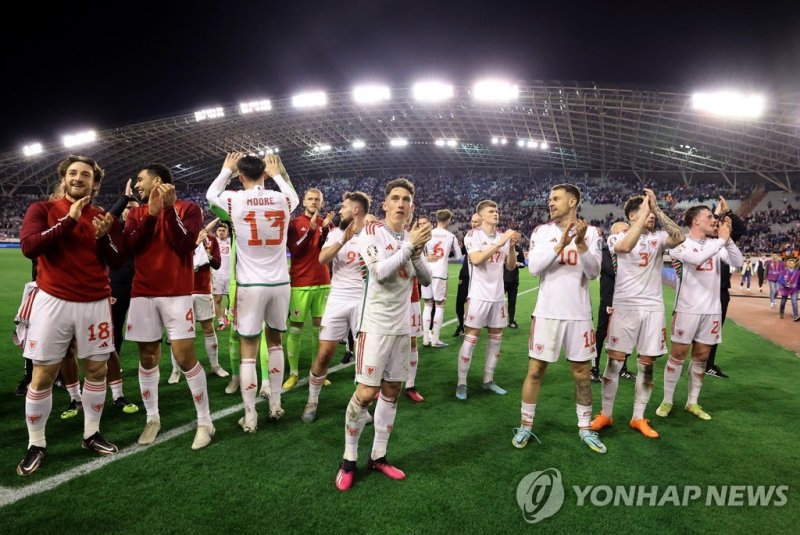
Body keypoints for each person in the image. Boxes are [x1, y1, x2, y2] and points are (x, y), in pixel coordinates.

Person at [16, 155, 124, 476]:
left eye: (86, 175)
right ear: (64, 179)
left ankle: (91, 434)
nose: (78, 178)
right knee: (43, 375)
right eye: (73, 173)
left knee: (96, 369)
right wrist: (69, 221)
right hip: (53, 300)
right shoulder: (42, 210)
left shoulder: (104, 217)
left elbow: (117, 263)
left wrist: (104, 236)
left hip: (95, 302)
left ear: (96, 183)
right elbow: (30, 247)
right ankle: (36, 443)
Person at [334, 178, 432, 491]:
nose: (401, 204)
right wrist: (408, 247)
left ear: (412, 207)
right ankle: (348, 458)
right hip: (375, 326)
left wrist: (416, 251)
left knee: (391, 393)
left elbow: (427, 279)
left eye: (407, 199)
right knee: (365, 394)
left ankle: (378, 456)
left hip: (402, 327)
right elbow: (379, 272)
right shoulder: (371, 233)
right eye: (395, 198)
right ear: (385, 204)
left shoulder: (410, 238)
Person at [206, 153, 299, 431]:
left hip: (250, 285)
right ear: (265, 174)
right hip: (280, 283)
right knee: (275, 343)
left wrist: (225, 170)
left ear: (241, 177)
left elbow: (212, 196)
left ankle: (250, 415)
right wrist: (278, 175)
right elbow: (293, 197)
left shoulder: (235, 198)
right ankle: (276, 404)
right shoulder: (283, 199)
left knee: (248, 350)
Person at [125, 162, 214, 450]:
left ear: (158, 181)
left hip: (176, 293)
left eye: (140, 179)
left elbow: (185, 244)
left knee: (185, 357)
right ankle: (152, 418)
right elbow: (132, 246)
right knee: (148, 358)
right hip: (142, 293)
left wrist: (168, 209)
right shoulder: (136, 212)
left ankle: (205, 421)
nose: (137, 185)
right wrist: (151, 213)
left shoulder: (189, 209)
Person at [513, 184, 606, 454]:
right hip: (546, 313)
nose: (550, 203)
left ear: (572, 201)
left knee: (582, 374)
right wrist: (561, 245)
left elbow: (593, 273)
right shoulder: (541, 232)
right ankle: (525, 425)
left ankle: (585, 428)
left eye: (556, 198)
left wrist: (580, 244)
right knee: (535, 370)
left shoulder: (593, 233)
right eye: (549, 199)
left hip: (578, 316)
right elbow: (534, 269)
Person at [591, 190, 685, 439]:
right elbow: (625, 246)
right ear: (632, 216)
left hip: (653, 309)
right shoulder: (617, 236)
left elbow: (679, 238)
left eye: (651, 214)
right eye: (645, 213)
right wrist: (643, 215)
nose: (651, 217)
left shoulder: (659, 238)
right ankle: (606, 413)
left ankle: (638, 417)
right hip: (625, 306)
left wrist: (657, 209)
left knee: (647, 365)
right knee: (614, 362)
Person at [655, 206, 743, 421]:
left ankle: (692, 402)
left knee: (702, 357)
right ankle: (667, 399)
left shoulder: (716, 244)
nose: (714, 220)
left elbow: (738, 263)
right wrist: (721, 241)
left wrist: (727, 239)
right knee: (677, 356)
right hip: (687, 309)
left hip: (712, 311)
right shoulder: (679, 243)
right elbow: (696, 259)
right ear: (695, 221)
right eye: (710, 217)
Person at [301, 191, 371, 423]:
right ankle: (312, 400)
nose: (340, 210)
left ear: (356, 211)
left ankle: (361, 407)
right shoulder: (335, 233)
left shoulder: (372, 235)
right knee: (324, 355)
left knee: (364, 358)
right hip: (338, 299)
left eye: (344, 207)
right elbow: (322, 259)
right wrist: (344, 239)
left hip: (364, 301)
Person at [455, 200, 519, 400]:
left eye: (497, 210)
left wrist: (511, 247)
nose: (496, 213)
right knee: (472, 337)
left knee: (496, 339)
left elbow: (509, 266)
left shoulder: (502, 236)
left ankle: (488, 380)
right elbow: (475, 259)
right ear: (481, 216)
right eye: (491, 211)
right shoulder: (473, 235)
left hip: (498, 297)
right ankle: (462, 383)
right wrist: (500, 243)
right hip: (479, 295)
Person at [284, 188, 334, 389]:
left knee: (319, 330)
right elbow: (295, 250)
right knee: (295, 329)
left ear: (321, 203)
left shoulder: (327, 224)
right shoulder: (295, 223)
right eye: (310, 199)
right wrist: (312, 229)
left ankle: (317, 370)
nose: (313, 202)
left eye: (317, 200)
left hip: (323, 281)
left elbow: (326, 251)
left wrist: (325, 231)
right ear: (304, 201)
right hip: (300, 283)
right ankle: (293, 373)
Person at [168, 221, 229, 382]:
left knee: (208, 328)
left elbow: (217, 264)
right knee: (179, 332)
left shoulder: (211, 240)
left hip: (203, 290)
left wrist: (206, 252)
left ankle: (215, 366)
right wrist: (195, 245)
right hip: (182, 291)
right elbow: (174, 263)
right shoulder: (179, 238)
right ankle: (176, 370)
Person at [590, 221, 634, 385]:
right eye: (623, 231)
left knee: (627, 333)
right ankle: (594, 368)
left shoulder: (630, 251)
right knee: (601, 332)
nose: (626, 234)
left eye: (628, 231)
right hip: (610, 299)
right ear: (613, 235)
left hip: (628, 298)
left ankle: (622, 368)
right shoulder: (605, 251)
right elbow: (613, 271)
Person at [421, 209, 462, 346]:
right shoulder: (451, 236)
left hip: (426, 271)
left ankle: (426, 339)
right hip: (440, 273)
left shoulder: (428, 234)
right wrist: (444, 258)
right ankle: (435, 339)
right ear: (449, 220)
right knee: (439, 305)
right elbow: (458, 256)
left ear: (436, 219)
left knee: (427, 305)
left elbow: (419, 253)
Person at [453, 214, 481, 337]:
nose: (473, 224)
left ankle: (473, 325)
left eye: (476, 222)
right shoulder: (468, 236)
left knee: (476, 304)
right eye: (472, 221)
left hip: (479, 277)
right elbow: (462, 251)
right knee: (459, 302)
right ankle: (460, 325)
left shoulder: (487, 239)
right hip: (465, 275)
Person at [212, 222, 232, 330]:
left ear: (227, 232)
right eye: (219, 230)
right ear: (216, 232)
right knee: (218, 299)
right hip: (217, 274)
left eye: (223, 230)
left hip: (230, 274)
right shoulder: (213, 242)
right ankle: (221, 322)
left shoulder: (231, 241)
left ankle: (227, 314)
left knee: (231, 299)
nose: (221, 232)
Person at [503, 245, 525, 329]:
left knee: (512, 302)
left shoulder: (518, 249)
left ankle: (511, 321)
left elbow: (523, 264)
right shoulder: (503, 247)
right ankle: (493, 321)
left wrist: (518, 264)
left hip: (513, 281)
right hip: (501, 280)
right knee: (498, 302)